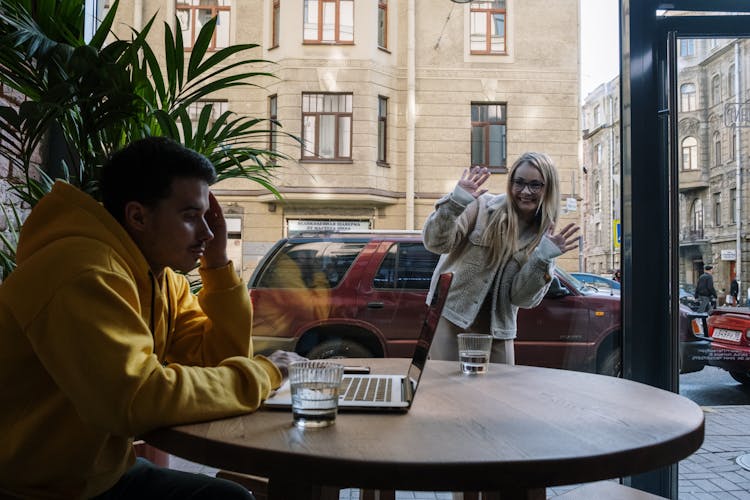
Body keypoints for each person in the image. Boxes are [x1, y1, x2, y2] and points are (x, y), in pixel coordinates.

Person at [0, 137, 304, 499]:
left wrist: (218, 265)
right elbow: (135, 398)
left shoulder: (160, 278)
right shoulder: (82, 272)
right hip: (29, 488)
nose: (207, 232)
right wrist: (265, 373)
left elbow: (215, 361)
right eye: (191, 216)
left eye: (207, 217)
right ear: (138, 216)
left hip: (100, 478)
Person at [423, 152, 580, 365]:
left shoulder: (544, 239)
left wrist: (543, 258)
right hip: (451, 321)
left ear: (548, 189)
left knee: (498, 395)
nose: (526, 191)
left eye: (535, 185)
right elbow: (436, 244)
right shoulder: (480, 207)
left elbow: (522, 299)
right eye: (519, 182)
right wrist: (454, 203)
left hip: (499, 332)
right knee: (447, 394)